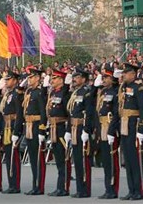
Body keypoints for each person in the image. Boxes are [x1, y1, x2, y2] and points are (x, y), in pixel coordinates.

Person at [108, 63, 143, 201]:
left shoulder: (139, 88)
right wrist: (112, 130)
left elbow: (142, 109)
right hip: (123, 124)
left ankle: (138, 191)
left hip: (133, 125)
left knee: (135, 159)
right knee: (128, 160)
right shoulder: (122, 88)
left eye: (126, 73)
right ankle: (131, 190)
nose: (123, 75)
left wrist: (141, 128)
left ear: (133, 74)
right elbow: (118, 110)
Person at [67, 68, 95, 198]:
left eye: (77, 77)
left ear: (83, 79)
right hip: (73, 127)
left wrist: (86, 130)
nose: (74, 79)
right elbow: (70, 112)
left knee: (84, 160)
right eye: (74, 77)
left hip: (81, 127)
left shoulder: (87, 92)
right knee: (77, 160)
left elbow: (89, 113)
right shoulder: (75, 92)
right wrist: (68, 130)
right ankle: (79, 188)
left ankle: (85, 189)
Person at [0, 71, 23, 194]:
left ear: (15, 80)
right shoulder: (7, 94)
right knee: (8, 156)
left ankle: (15, 185)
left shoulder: (17, 94)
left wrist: (16, 132)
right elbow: (2, 113)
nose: (6, 81)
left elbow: (19, 114)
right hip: (6, 127)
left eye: (9, 79)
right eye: (5, 80)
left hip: (12, 127)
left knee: (14, 157)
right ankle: (11, 183)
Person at [94, 68, 119, 199]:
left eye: (106, 77)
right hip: (101, 128)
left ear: (112, 79)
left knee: (112, 161)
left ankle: (113, 188)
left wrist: (112, 131)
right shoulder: (102, 92)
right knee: (105, 161)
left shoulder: (115, 93)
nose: (104, 80)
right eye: (102, 78)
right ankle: (107, 188)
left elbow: (116, 113)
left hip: (110, 128)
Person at [23, 66, 47, 196]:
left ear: (37, 78)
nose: (29, 79)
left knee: (38, 158)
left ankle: (39, 186)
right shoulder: (29, 92)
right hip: (29, 126)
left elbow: (43, 112)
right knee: (32, 158)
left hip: (37, 126)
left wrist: (42, 130)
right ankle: (34, 185)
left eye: (31, 77)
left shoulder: (39, 92)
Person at [46, 69, 70, 197]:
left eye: (55, 78)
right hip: (53, 128)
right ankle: (59, 187)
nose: (52, 80)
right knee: (58, 160)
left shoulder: (64, 93)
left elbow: (69, 112)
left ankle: (64, 187)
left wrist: (68, 130)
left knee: (63, 159)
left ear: (61, 80)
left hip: (61, 128)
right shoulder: (53, 93)